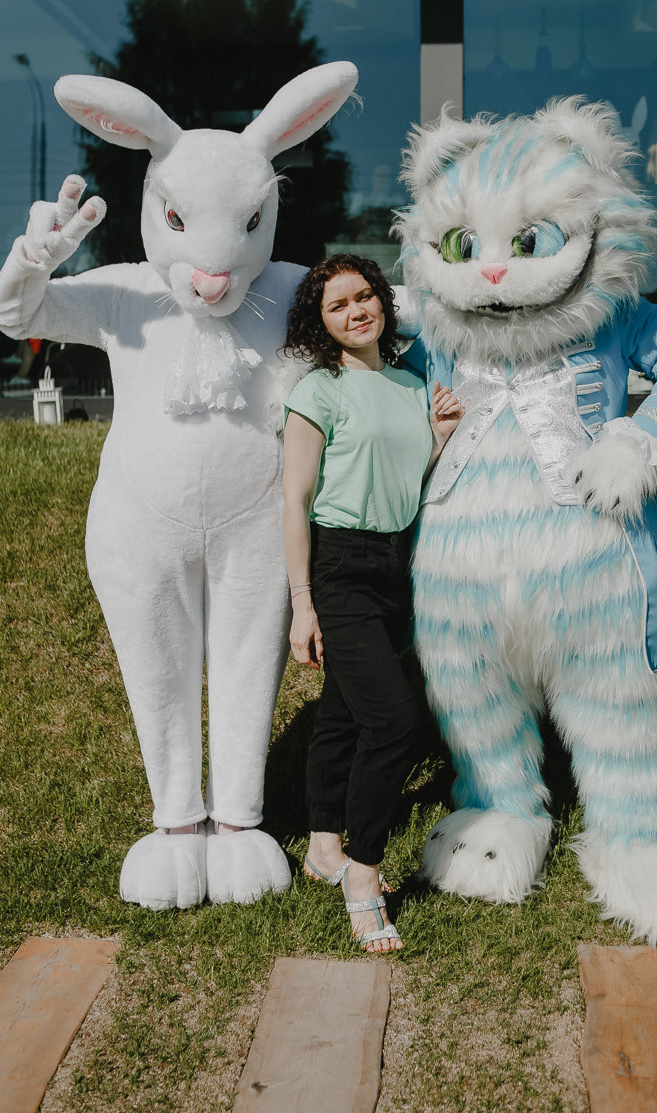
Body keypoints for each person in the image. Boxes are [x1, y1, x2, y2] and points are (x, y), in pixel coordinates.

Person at [282, 254, 463, 952]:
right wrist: (303, 604)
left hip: (396, 564)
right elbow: (294, 502)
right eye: (339, 305)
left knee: (344, 712)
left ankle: (323, 843)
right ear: (320, 322)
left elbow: (398, 476)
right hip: (340, 566)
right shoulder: (316, 392)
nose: (358, 311)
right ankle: (363, 870)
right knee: (393, 720)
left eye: (366, 298)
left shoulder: (409, 383)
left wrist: (438, 438)